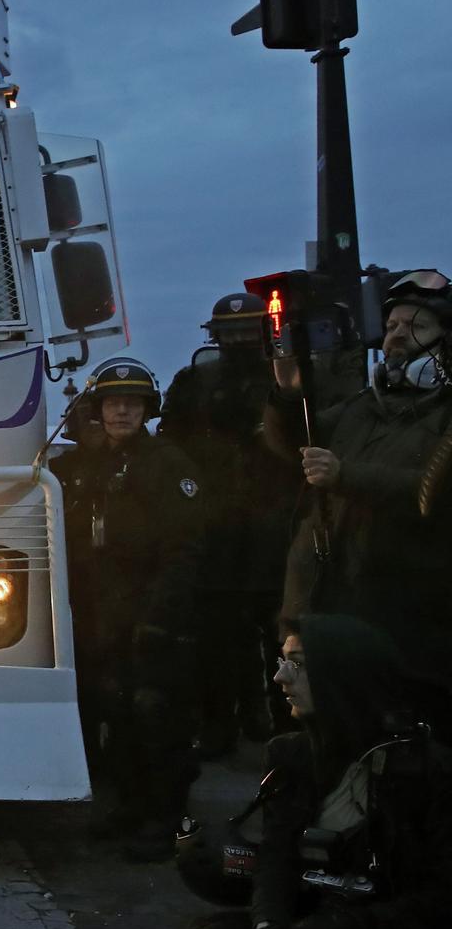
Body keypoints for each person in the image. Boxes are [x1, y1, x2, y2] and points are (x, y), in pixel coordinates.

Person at [177, 615, 451, 929]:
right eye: (281, 661)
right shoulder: (294, 754)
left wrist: (350, 928)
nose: (280, 678)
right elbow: (276, 860)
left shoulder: (425, 771)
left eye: (298, 665)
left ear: (343, 675)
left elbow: (442, 897)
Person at [52, 357, 206, 861]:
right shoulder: (86, 466)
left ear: (147, 409)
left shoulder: (167, 463)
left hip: (151, 612)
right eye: (112, 403)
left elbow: (186, 549)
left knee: (157, 718)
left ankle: (168, 823)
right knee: (115, 715)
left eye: (131, 403)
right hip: (102, 614)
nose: (121, 411)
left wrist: (161, 618)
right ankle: (133, 809)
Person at [267, 269, 452, 677]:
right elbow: (292, 442)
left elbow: (434, 493)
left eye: (415, 325)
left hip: (408, 621)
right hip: (328, 608)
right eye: (391, 326)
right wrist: (288, 395)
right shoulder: (362, 406)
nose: (397, 335)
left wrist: (345, 475)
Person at [161, 293, 301, 751]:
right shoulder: (194, 382)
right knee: (218, 638)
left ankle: (286, 724)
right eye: (231, 333)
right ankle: (223, 727)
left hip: (275, 525)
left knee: (281, 634)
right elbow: (171, 445)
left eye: (248, 331)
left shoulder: (287, 379)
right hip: (218, 526)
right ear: (215, 337)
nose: (239, 341)